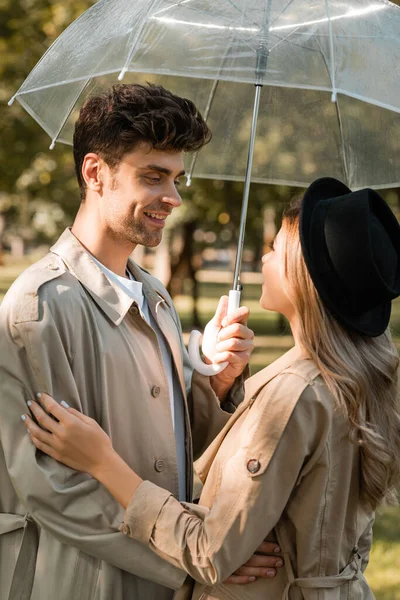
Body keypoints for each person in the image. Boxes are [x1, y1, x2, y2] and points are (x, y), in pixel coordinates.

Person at [23, 177, 400, 599]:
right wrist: (219, 384)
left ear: (302, 274)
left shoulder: (295, 393)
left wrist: (102, 462)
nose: (263, 256)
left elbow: (211, 552)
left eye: (275, 248)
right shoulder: (358, 377)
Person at [0, 84, 283, 600]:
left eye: (176, 178)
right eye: (152, 177)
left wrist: (214, 387)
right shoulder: (37, 308)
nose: (172, 197)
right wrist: (194, 557)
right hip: (81, 583)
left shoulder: (155, 295)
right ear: (94, 173)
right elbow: (50, 487)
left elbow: (170, 449)